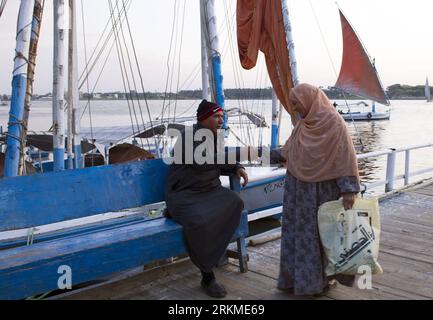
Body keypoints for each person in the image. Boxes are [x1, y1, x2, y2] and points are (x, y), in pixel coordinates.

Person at [273, 83, 360, 297]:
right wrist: (252, 156)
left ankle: (316, 282)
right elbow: (289, 151)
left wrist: (349, 190)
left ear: (310, 100)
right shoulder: (303, 124)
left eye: (296, 103)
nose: (295, 108)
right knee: (298, 237)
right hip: (298, 193)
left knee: (322, 238)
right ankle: (295, 280)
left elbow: (345, 157)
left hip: (323, 191)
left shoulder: (335, 124)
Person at [165, 100, 249, 299]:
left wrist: (236, 167)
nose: (221, 120)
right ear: (203, 119)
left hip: (208, 191)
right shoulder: (187, 137)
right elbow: (203, 162)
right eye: (216, 116)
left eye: (222, 116)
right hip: (185, 194)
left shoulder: (214, 137)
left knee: (235, 203)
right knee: (200, 221)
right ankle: (207, 275)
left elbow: (219, 159)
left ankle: (212, 254)